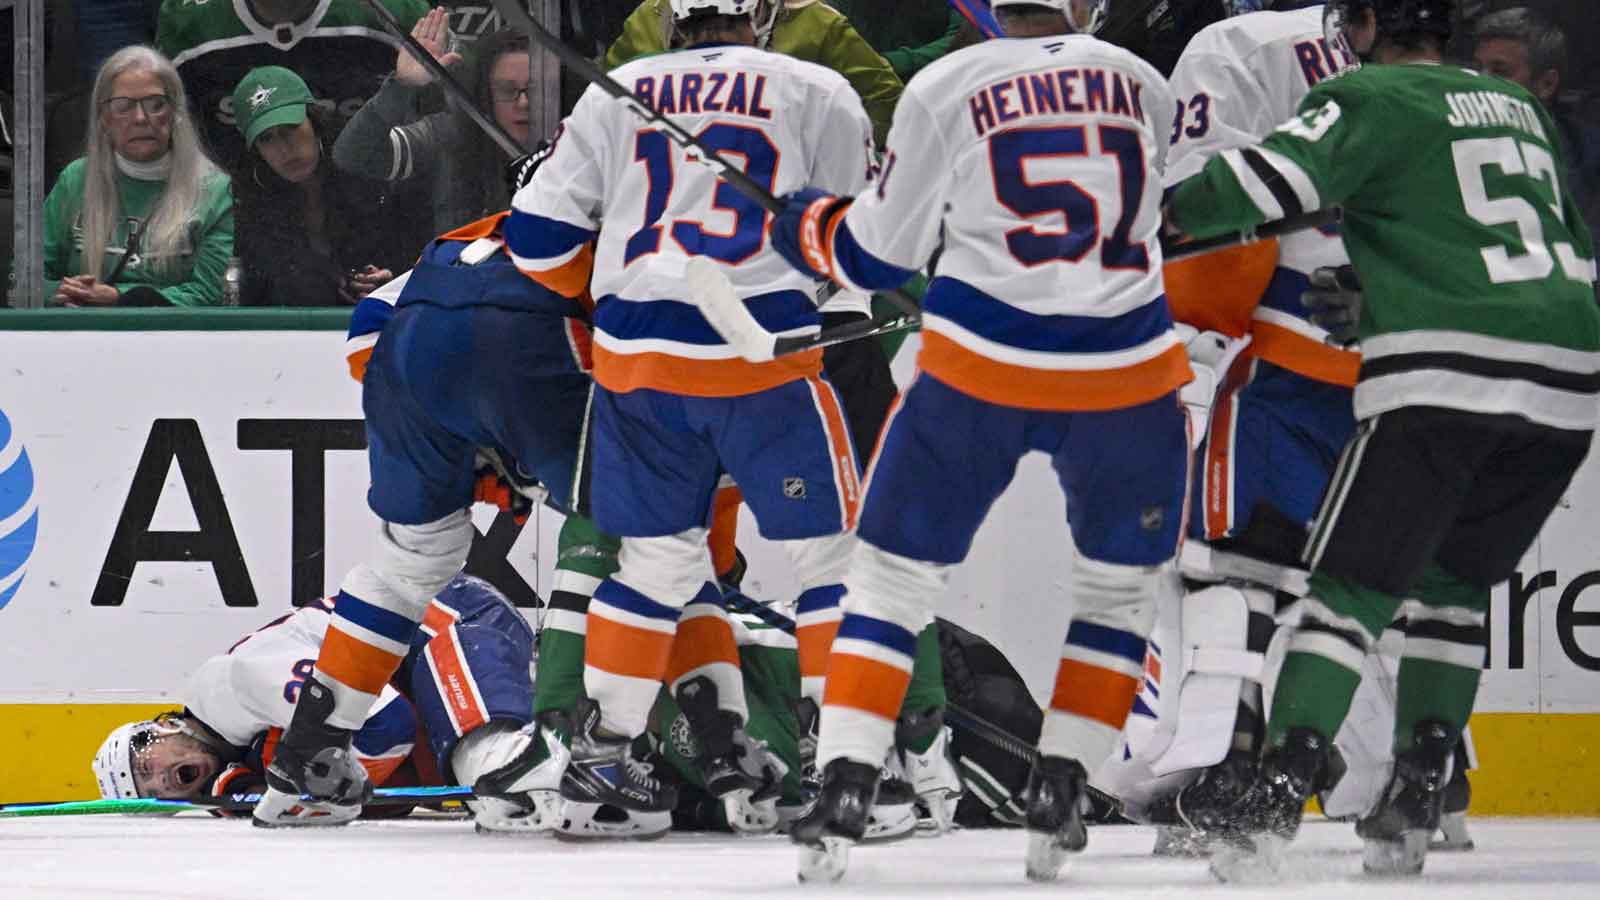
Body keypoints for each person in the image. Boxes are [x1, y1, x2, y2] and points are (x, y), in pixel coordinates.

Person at [1163, 0, 1598, 880]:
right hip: (1569, 376)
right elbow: (1541, 240)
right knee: (1451, 588)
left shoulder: (1370, 92)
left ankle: (1272, 792)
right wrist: (1382, 294)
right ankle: (1423, 786)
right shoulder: (1523, 112)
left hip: (1439, 373)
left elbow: (1256, 187)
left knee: (1343, 593)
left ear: (1364, 28)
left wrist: (1153, 214)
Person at [765, 0, 1192, 882]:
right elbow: (1177, 219)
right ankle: (1063, 783)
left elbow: (878, 259)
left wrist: (806, 224)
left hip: (980, 367)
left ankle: (847, 780)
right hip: (1128, 373)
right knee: (1115, 597)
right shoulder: (1142, 80)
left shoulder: (946, 81)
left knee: (888, 581)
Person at [507, 0, 874, 828]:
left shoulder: (619, 88)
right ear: (766, 14)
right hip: (762, 355)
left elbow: (534, 245)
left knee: (658, 563)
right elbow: (860, 241)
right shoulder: (818, 88)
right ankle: (849, 765)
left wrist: (611, 258)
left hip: (640, 362)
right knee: (831, 558)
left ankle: (601, 754)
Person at [249, 204, 598, 827]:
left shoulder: (483, 231)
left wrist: (473, 439)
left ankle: (309, 754)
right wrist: (515, 438)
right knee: (618, 527)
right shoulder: (649, 221)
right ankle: (559, 751)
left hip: (405, 355)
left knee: (410, 560)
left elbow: (368, 333)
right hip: (538, 343)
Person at [94, 575, 565, 832]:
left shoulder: (229, 686)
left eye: (142, 757)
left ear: (165, 725)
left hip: (455, 623)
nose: (156, 777)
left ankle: (521, 761)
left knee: (489, 771)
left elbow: (388, 724)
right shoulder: (240, 741)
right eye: (147, 788)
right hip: (433, 660)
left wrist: (309, 800)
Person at [33, 45, 233, 308]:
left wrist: (120, 299)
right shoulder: (75, 179)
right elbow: (26, 276)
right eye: (123, 106)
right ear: (103, 118)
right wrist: (57, 293)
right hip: (82, 334)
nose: (140, 118)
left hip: (175, 339)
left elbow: (210, 294)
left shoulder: (214, 189)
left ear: (175, 114)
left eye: (155, 105)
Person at [155, 0, 429, 173]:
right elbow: (169, 136)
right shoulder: (189, 25)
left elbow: (443, 124)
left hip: (380, 205)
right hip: (238, 215)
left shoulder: (393, 12)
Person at [334, 16, 541, 234]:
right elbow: (353, 154)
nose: (523, 102)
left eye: (535, 90)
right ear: (485, 95)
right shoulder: (451, 134)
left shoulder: (574, 140)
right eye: (507, 90)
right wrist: (403, 86)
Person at [230, 66, 415, 306]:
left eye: (291, 128)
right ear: (256, 151)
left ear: (315, 121)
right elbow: (257, 292)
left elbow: (415, 258)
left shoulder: (368, 170)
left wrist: (391, 281)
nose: (284, 149)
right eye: (266, 138)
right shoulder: (249, 203)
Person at [604, 0, 904, 146]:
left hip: (778, 190)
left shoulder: (817, 22)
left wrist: (836, 151)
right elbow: (606, 99)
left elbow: (883, 97)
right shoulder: (650, 16)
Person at [1472, 6, 1600, 241]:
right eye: (1477, 69)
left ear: (1547, 84)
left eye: (1500, 71)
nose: (1480, 82)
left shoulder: (1588, 155)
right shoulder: (1448, 139)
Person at [827, 0, 965, 81]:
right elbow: (826, 36)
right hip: (862, 93)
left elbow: (965, 35)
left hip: (937, 84)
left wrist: (891, 62)